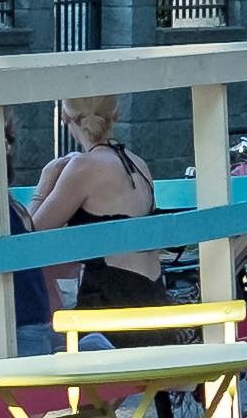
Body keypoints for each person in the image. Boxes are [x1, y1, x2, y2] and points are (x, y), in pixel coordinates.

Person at [18, 94, 168, 325]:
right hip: (155, 297)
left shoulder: (83, 167)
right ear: (116, 114)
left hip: (111, 305)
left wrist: (45, 182)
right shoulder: (138, 163)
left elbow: (29, 237)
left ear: (64, 116)